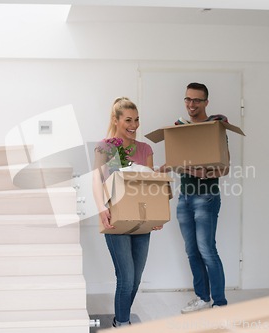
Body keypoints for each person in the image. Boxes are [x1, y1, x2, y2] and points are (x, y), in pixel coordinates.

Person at [92, 97, 163, 328]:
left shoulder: (145, 149)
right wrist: (101, 208)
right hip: (115, 219)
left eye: (137, 120)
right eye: (128, 120)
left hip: (141, 222)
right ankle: (122, 323)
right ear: (116, 120)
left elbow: (150, 185)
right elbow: (95, 179)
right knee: (125, 278)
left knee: (136, 279)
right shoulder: (105, 147)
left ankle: (120, 318)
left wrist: (156, 214)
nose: (134, 125)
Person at [160, 82, 229, 313]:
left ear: (206, 102)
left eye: (197, 100)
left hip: (206, 198)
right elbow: (179, 162)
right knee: (192, 252)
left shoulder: (215, 128)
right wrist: (168, 167)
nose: (191, 104)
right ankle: (202, 298)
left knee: (207, 250)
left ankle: (219, 303)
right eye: (188, 99)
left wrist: (203, 173)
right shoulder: (182, 129)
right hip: (185, 198)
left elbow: (225, 169)